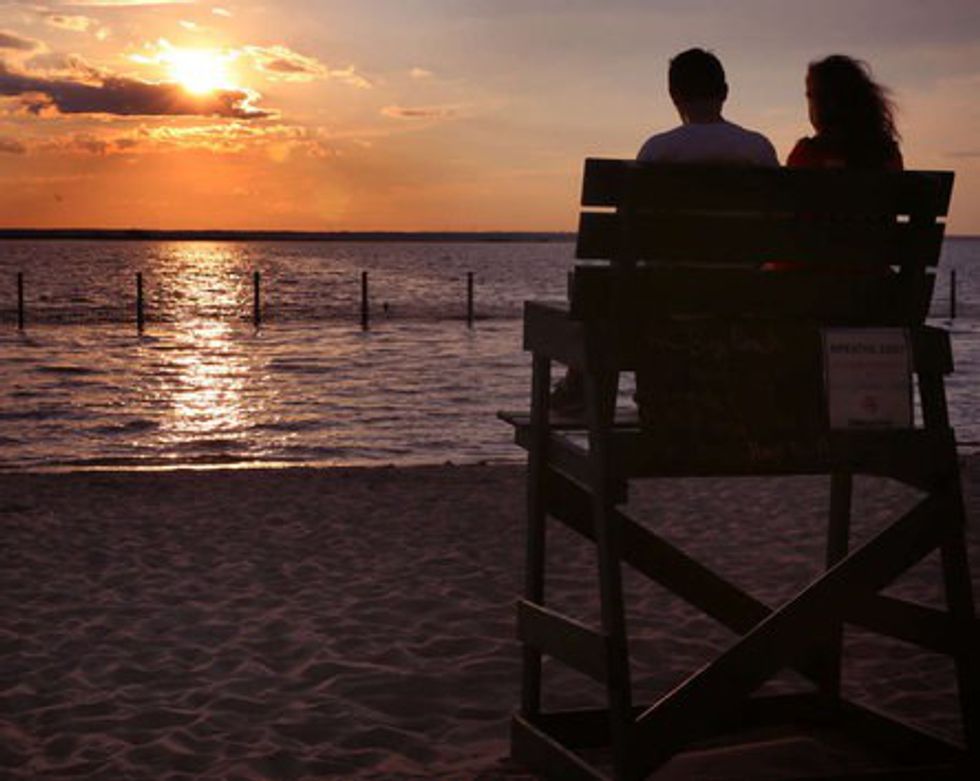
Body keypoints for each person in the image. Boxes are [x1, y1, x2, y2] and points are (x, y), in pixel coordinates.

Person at [551, 48, 778, 414]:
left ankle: (579, 389)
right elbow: (774, 229)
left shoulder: (659, 150)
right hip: (742, 298)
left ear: (674, 96)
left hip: (667, 298)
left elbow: (628, 237)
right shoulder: (758, 149)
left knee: (601, 290)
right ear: (725, 92)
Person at [787, 55, 902, 170]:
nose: (814, 105)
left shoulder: (806, 154)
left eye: (817, 96)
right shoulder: (886, 153)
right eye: (811, 96)